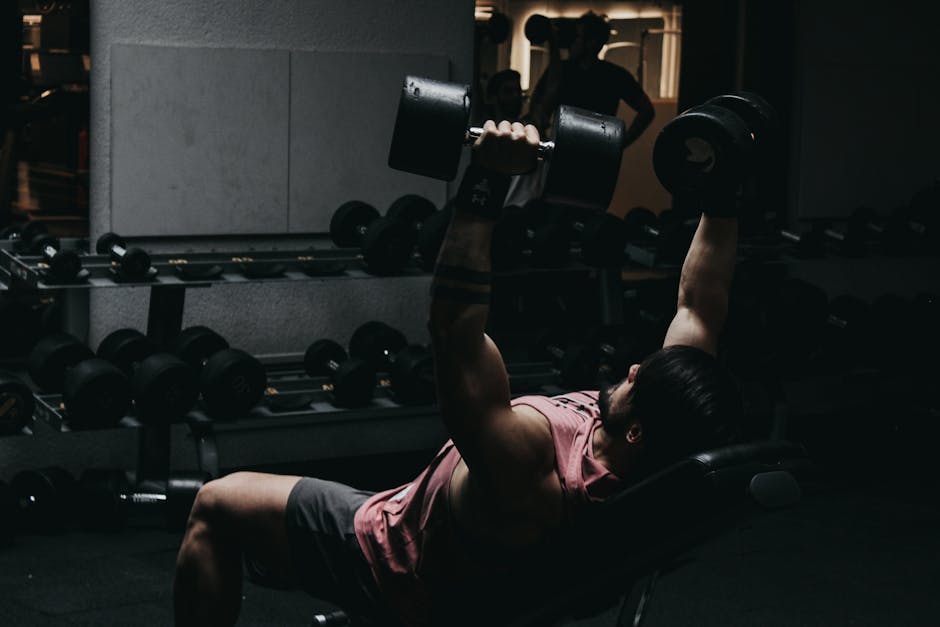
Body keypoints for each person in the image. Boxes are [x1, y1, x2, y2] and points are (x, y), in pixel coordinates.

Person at [173, 120, 743, 627]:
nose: (636, 367)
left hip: (392, 560)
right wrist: (721, 189)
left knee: (217, 505)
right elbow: (698, 304)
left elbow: (453, 331)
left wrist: (487, 181)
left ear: (638, 430)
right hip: (448, 542)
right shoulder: (672, 445)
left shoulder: (530, 466)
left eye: (638, 381)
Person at [527, 11, 655, 147]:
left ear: (592, 42)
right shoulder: (562, 71)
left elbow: (647, 110)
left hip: (594, 155)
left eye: (576, 37)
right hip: (569, 153)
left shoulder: (614, 75)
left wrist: (622, 143)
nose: (570, 43)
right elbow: (536, 108)